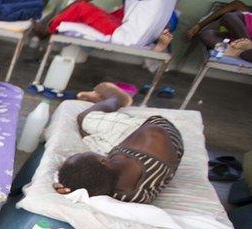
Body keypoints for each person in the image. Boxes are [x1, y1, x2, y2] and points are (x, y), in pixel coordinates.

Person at [54, 82, 183, 204]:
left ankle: (111, 101)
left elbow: (82, 190)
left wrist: (70, 186)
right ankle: (115, 99)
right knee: (86, 124)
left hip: (141, 138)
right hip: (154, 136)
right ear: (104, 161)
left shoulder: (112, 190)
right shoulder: (153, 139)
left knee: (86, 127)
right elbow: (153, 129)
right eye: (83, 154)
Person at [31, 0, 176, 50]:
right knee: (110, 11)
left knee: (81, 6)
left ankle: (48, 30)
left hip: (124, 35)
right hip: (137, 32)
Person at [197, 10, 252, 74]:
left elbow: (232, 11)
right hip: (247, 40)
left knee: (228, 17)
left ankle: (248, 48)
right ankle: (251, 51)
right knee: (206, 35)